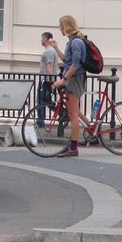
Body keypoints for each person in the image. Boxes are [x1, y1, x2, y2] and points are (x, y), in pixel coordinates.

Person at [50, 14, 87, 157]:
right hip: (72, 78)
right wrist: (56, 48)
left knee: (72, 115)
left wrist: (63, 80)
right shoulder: (71, 42)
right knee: (75, 110)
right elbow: (67, 60)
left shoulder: (76, 42)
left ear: (66, 26)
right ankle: (90, 126)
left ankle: (73, 147)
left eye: (61, 26)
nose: (60, 29)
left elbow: (75, 65)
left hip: (74, 79)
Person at [37, 31, 58, 127]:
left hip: (46, 80)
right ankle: (61, 113)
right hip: (47, 79)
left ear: (46, 39)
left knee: (42, 101)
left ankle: (40, 122)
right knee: (46, 100)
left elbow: (49, 65)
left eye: (42, 38)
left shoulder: (49, 51)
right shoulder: (51, 50)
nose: (41, 40)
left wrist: (50, 81)